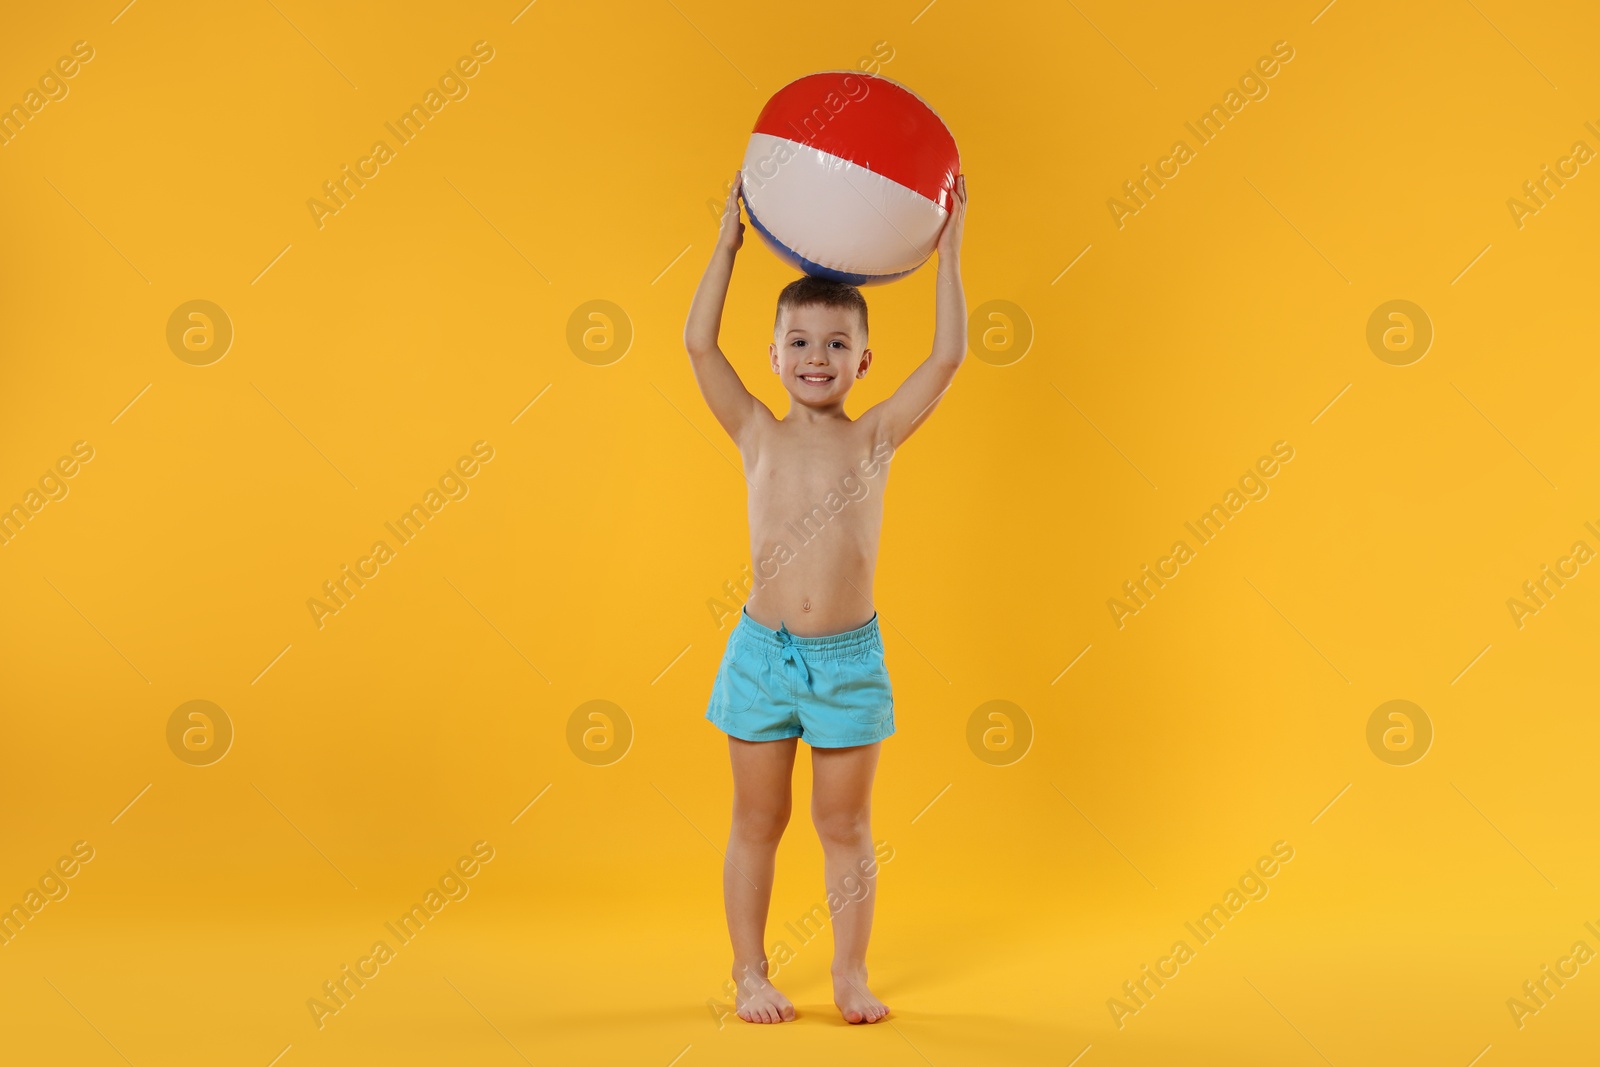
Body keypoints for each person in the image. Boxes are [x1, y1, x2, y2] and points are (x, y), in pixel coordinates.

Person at [682, 169, 969, 1024]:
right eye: (799, 343)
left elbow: (948, 355)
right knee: (756, 821)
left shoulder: (876, 436)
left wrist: (950, 249)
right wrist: (726, 245)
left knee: (844, 827)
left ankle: (849, 973)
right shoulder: (755, 432)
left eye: (836, 345)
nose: (816, 358)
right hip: (763, 658)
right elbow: (700, 347)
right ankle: (750, 972)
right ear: (773, 356)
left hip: (848, 664)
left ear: (863, 361)